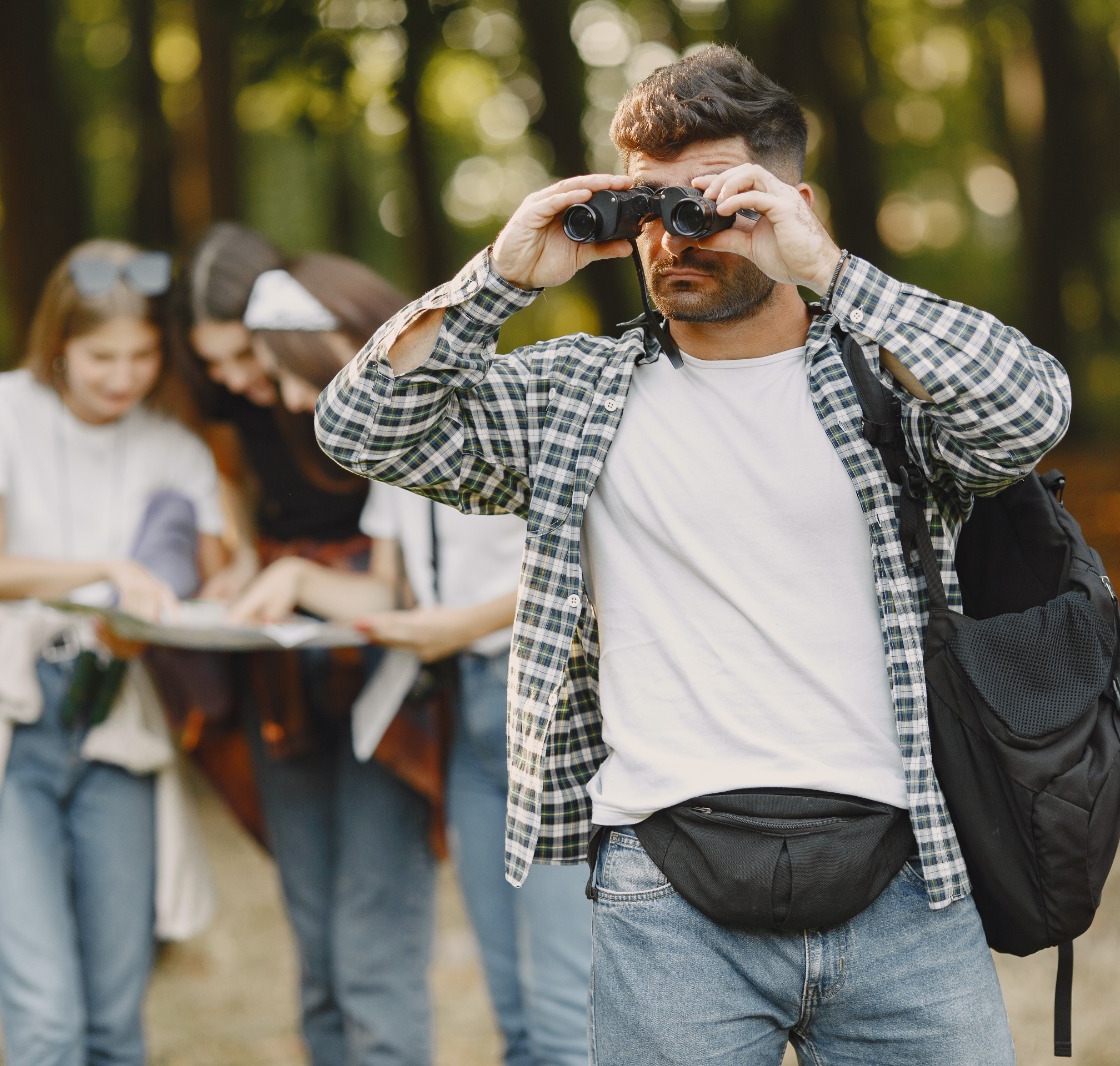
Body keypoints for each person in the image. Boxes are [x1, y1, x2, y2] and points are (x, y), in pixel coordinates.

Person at [313, 46, 1073, 1066]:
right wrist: (494, 280)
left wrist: (828, 269)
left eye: (708, 205)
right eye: (647, 208)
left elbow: (1030, 409)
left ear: (787, 201)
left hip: (906, 876)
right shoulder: (573, 396)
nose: (673, 237)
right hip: (664, 896)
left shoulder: (887, 390)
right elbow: (361, 428)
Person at [231, 258, 594, 1066]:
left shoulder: (516, 410)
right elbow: (393, 590)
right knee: (516, 1012)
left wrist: (454, 627)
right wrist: (292, 578)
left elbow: (586, 572)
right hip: (465, 714)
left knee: (566, 1006)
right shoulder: (392, 441)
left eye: (292, 375)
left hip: (544, 708)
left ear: (343, 340)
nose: (293, 401)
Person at [0, 239, 221, 1065]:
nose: (121, 376)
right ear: (59, 342)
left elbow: (220, 572)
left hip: (118, 720)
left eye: (141, 355)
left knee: (113, 1022)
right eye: (101, 357)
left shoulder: (172, 444)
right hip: (10, 717)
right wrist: (107, 570)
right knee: (49, 1024)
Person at [177, 237, 439, 1066]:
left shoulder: (392, 401)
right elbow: (246, 531)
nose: (243, 381)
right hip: (283, 676)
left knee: (372, 943)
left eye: (247, 355)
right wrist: (244, 572)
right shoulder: (239, 415)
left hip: (384, 685)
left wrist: (299, 577)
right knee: (318, 940)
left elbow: (406, 585)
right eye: (216, 362)